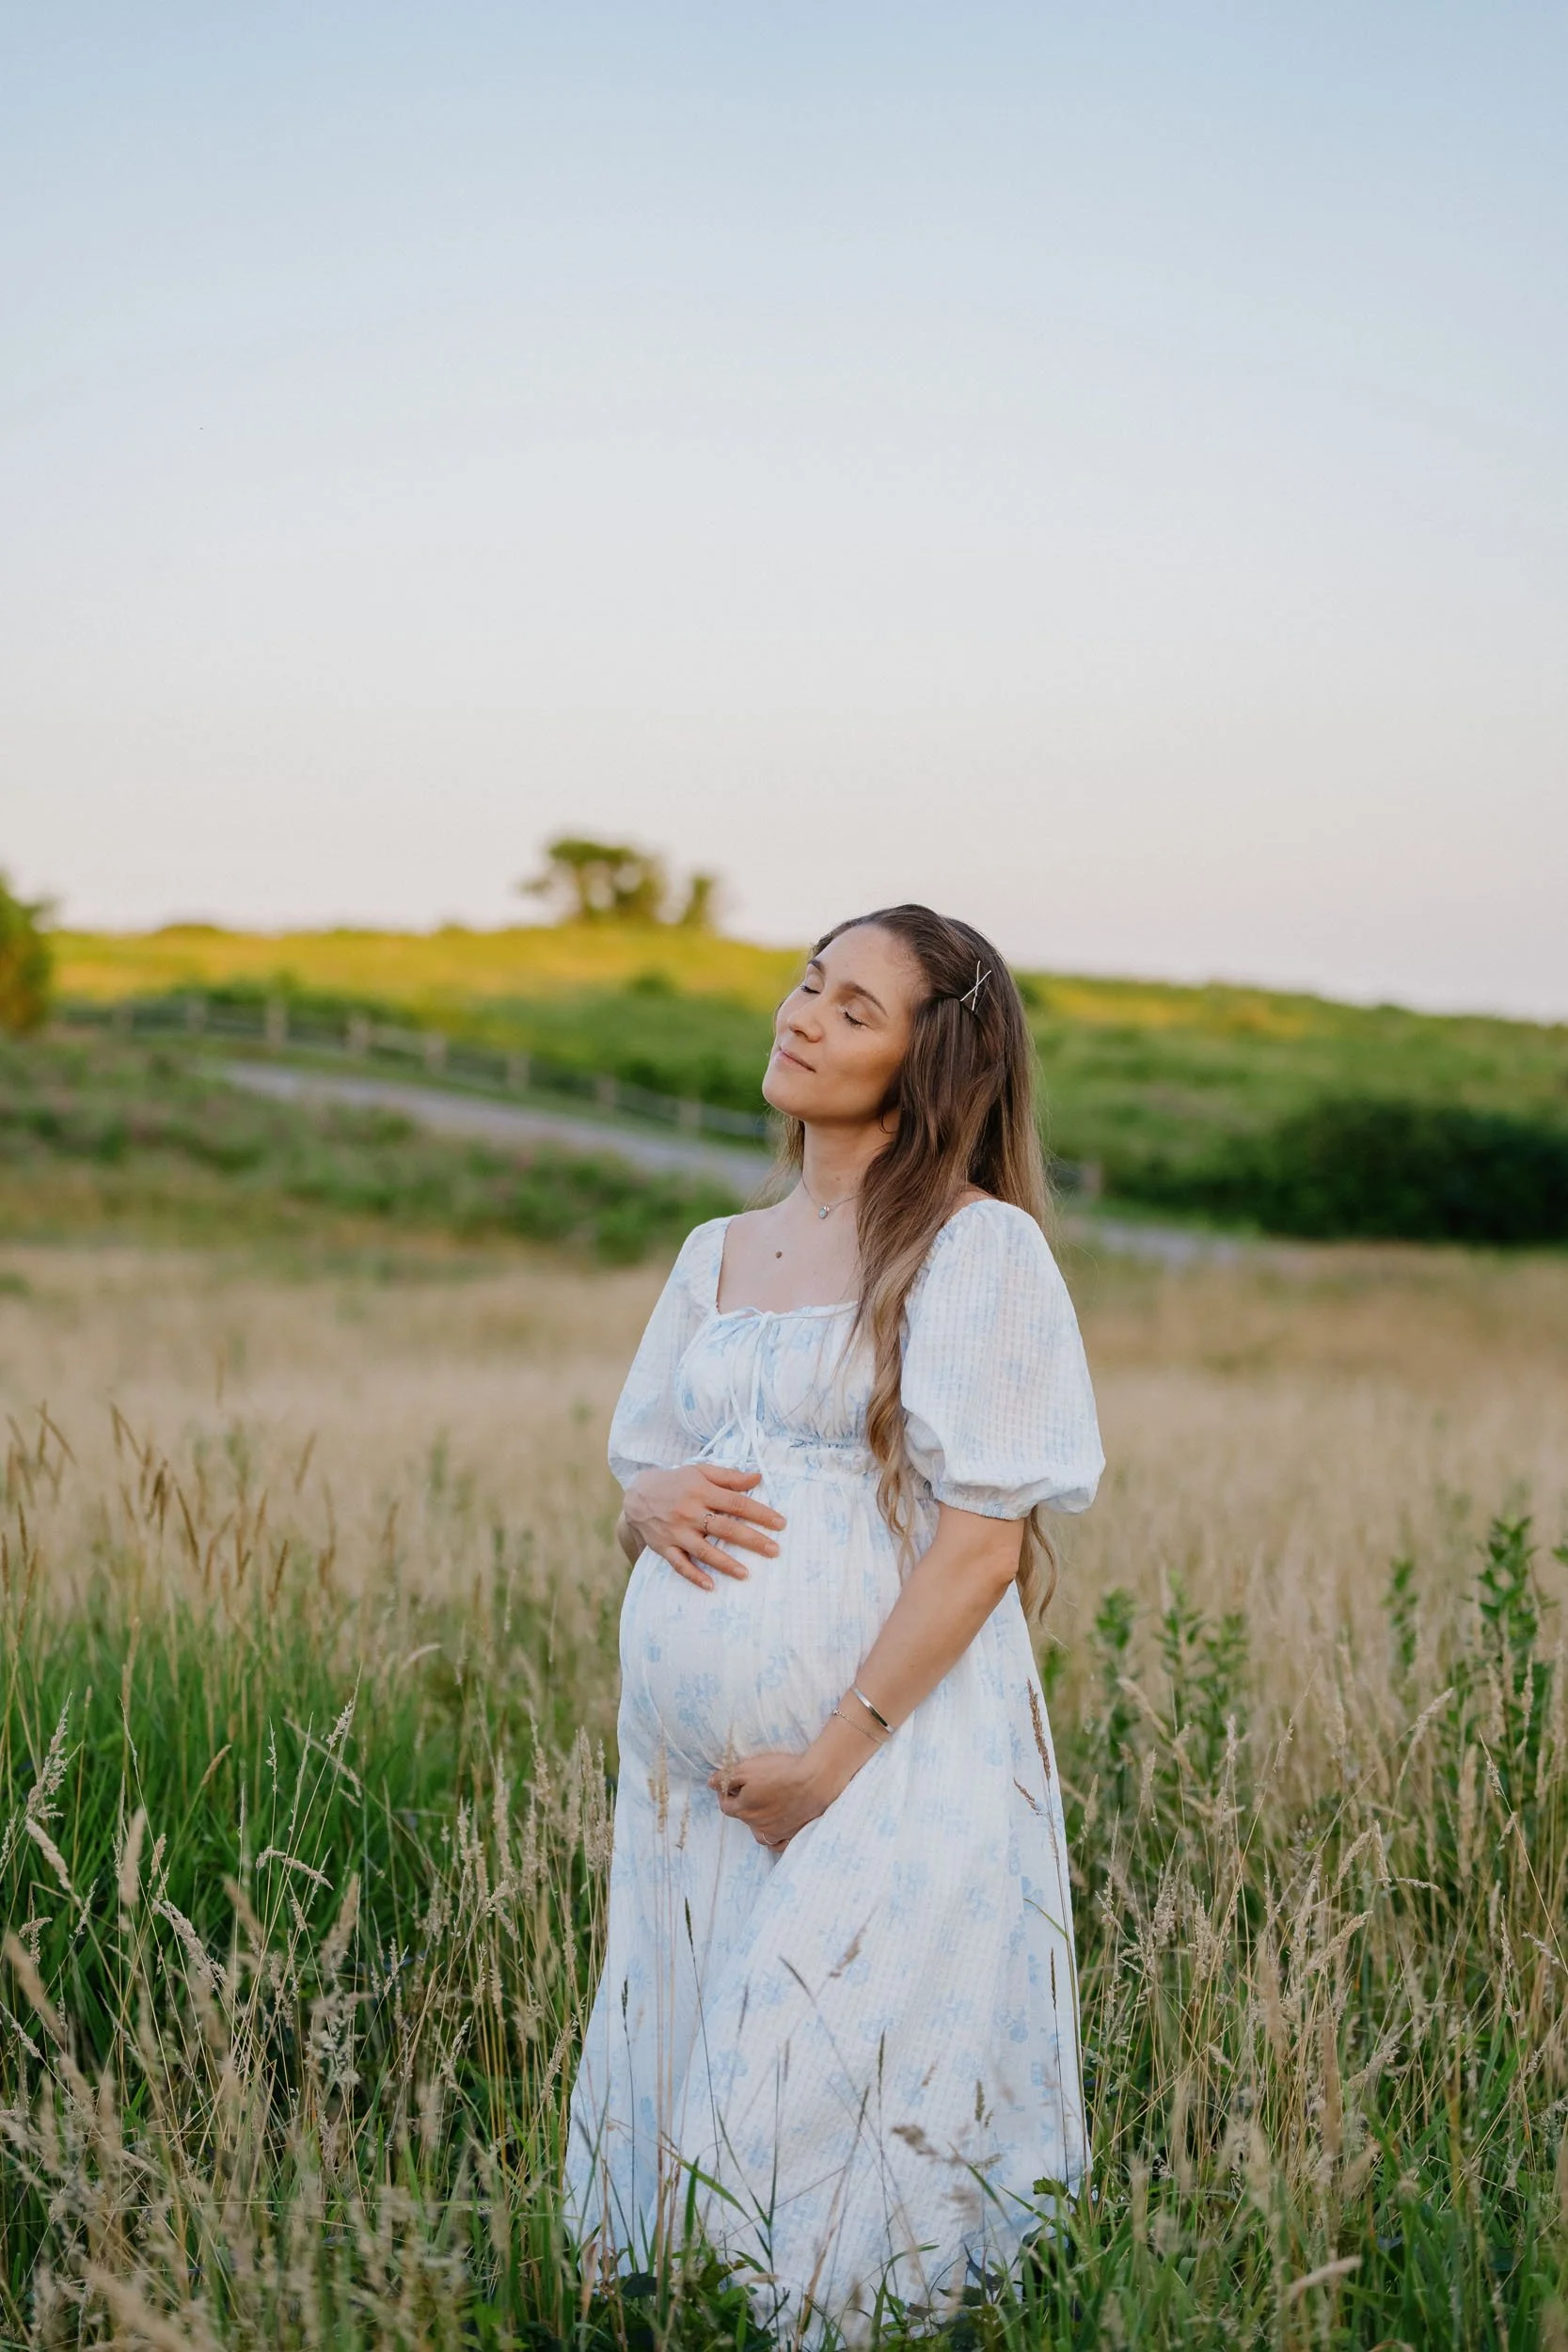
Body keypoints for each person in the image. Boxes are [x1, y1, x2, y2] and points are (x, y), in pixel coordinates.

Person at [565, 904, 1104, 2335]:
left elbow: (983, 1545)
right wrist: (647, 1503)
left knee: (827, 2147)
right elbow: (641, 1471)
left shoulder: (973, 1250)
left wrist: (831, 1756)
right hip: (689, 1795)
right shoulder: (715, 1251)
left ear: (932, 1061)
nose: (802, 1014)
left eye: (854, 1008)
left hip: (874, 1758)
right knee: (700, 2116)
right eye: (810, 983)